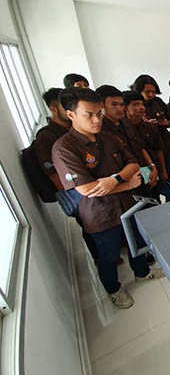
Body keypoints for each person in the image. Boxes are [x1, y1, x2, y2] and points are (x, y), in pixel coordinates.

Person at [51, 87, 164, 309]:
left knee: (136, 243)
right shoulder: (64, 148)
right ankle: (114, 289)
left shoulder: (108, 138)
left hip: (128, 206)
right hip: (99, 214)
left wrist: (113, 180)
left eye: (99, 114)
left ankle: (142, 272)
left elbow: (133, 163)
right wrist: (126, 184)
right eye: (89, 115)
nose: (96, 120)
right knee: (109, 256)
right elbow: (86, 189)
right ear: (71, 114)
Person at [34, 88, 101, 262]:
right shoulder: (47, 137)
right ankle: (99, 258)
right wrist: (73, 196)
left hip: (93, 184)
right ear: (53, 109)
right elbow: (52, 172)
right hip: (76, 190)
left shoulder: (78, 130)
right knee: (88, 225)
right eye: (64, 107)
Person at [96, 85, 159, 191]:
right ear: (101, 106)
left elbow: (141, 147)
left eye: (121, 104)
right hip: (124, 181)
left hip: (144, 172)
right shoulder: (100, 130)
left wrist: (153, 167)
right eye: (114, 104)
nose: (119, 109)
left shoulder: (126, 123)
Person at [123, 90, 170, 201]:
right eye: (135, 104)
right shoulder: (123, 130)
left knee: (155, 199)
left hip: (152, 171)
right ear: (125, 108)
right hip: (134, 174)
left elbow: (158, 149)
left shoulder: (150, 127)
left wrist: (163, 171)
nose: (141, 107)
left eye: (142, 104)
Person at [132, 74, 170, 199]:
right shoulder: (133, 106)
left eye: (153, 92)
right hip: (145, 152)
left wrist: (165, 123)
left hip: (163, 145)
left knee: (166, 178)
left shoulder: (158, 102)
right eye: (147, 92)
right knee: (150, 185)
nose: (151, 95)